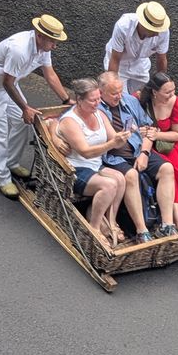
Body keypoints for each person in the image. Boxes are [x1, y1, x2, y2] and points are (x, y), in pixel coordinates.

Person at [0, 14, 73, 199]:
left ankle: (12, 162)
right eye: (53, 41)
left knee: (22, 123)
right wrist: (25, 108)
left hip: (10, 86)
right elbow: (7, 82)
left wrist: (66, 100)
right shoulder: (19, 49)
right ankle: (2, 178)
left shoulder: (44, 48)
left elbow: (49, 74)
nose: (55, 45)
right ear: (40, 36)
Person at [97, 72, 178, 242]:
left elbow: (149, 131)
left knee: (167, 168)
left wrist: (145, 154)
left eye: (120, 91)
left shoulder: (130, 101)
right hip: (112, 157)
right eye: (114, 93)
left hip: (137, 151)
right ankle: (142, 231)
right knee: (131, 175)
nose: (119, 96)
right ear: (101, 92)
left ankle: (167, 225)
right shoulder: (95, 108)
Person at [56, 79, 130, 248]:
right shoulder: (70, 121)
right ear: (80, 100)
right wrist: (112, 144)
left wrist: (123, 137)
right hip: (76, 168)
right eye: (93, 100)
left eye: (98, 98)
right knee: (109, 185)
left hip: (95, 165)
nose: (98, 103)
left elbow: (113, 138)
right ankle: (94, 227)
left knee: (120, 178)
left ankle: (111, 220)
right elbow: (85, 152)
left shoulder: (99, 113)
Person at [139, 72, 178, 232]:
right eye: (167, 92)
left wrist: (157, 134)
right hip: (151, 147)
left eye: (173, 90)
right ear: (155, 92)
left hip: (168, 143)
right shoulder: (141, 100)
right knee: (169, 171)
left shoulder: (175, 102)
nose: (172, 94)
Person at [103, 1, 170, 95]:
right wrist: (113, 85)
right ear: (143, 25)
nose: (157, 34)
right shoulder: (123, 26)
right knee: (121, 99)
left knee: (141, 98)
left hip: (140, 64)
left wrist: (161, 84)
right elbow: (115, 59)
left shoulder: (163, 32)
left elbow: (161, 59)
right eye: (154, 30)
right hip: (119, 65)